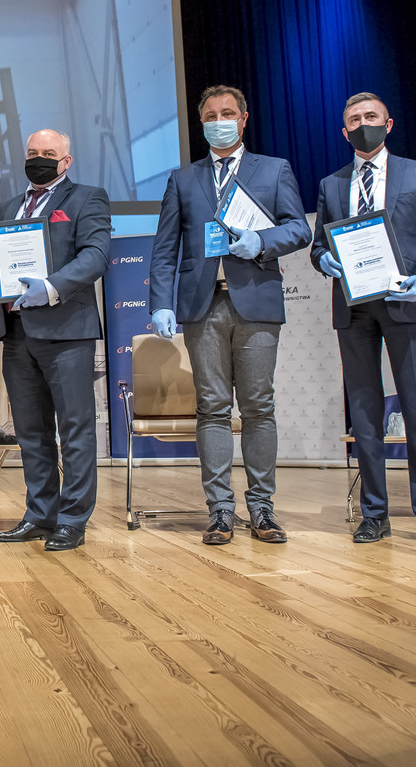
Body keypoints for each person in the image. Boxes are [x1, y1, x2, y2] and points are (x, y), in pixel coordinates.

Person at [149, 86, 311, 545]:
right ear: (201, 123)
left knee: (259, 407)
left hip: (256, 301)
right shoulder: (183, 179)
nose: (218, 121)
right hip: (202, 306)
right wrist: (161, 302)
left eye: (226, 113)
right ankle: (220, 510)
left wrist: (262, 242)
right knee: (212, 408)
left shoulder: (274, 169)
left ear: (243, 118)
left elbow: (298, 228)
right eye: (209, 115)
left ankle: (262, 509)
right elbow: (165, 249)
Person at [312, 92, 416, 547]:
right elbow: (319, 246)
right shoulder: (331, 184)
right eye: (354, 120)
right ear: (344, 132)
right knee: (365, 417)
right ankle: (374, 514)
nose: (363, 124)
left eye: (370, 117)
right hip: (353, 309)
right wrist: (323, 260)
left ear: (388, 124)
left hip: (406, 305)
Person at [0, 129, 110, 552]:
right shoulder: (10, 205)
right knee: (31, 433)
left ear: (66, 161)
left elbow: (96, 255)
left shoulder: (87, 198)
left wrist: (51, 286)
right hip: (18, 332)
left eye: (49, 153)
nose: (39, 159)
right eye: (33, 152)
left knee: (75, 430)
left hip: (67, 331)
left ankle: (72, 520)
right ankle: (40, 515)